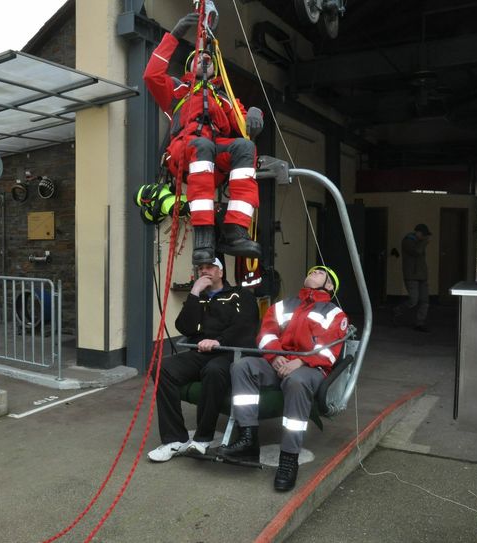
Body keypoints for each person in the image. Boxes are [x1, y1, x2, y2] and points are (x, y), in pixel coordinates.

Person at [143, 12, 264, 266]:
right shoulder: (178, 91)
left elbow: (245, 126)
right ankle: (203, 236)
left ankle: (235, 230)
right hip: (184, 152)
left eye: (208, 59)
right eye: (198, 57)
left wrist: (255, 113)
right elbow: (152, 75)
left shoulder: (224, 99)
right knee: (202, 145)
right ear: (188, 67)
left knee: (245, 146)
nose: (204, 59)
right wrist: (174, 35)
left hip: (212, 156)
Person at [219, 266, 348, 492]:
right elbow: (266, 334)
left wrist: (300, 361)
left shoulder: (334, 314)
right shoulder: (283, 306)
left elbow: (329, 350)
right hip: (278, 362)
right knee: (241, 367)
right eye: (312, 271)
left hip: (310, 368)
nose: (313, 273)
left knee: (296, 382)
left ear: (330, 286)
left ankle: (289, 458)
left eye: (320, 273)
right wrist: (275, 356)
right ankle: (248, 438)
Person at [148, 257, 259, 462]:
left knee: (214, 370)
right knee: (161, 367)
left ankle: (202, 438)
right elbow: (185, 327)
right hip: (200, 352)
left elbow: (246, 325)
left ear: (221, 272)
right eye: (201, 268)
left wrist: (219, 341)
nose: (204, 271)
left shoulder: (240, 295)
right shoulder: (199, 297)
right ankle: (175, 439)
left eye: (210, 267)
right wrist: (194, 293)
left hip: (229, 352)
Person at [394, 223, 431, 332]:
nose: (425, 237)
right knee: (413, 300)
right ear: (418, 232)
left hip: (422, 276)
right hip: (411, 276)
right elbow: (417, 252)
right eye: (423, 235)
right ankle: (397, 310)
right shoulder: (408, 241)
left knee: (425, 301)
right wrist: (424, 242)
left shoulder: (419, 242)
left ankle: (420, 323)